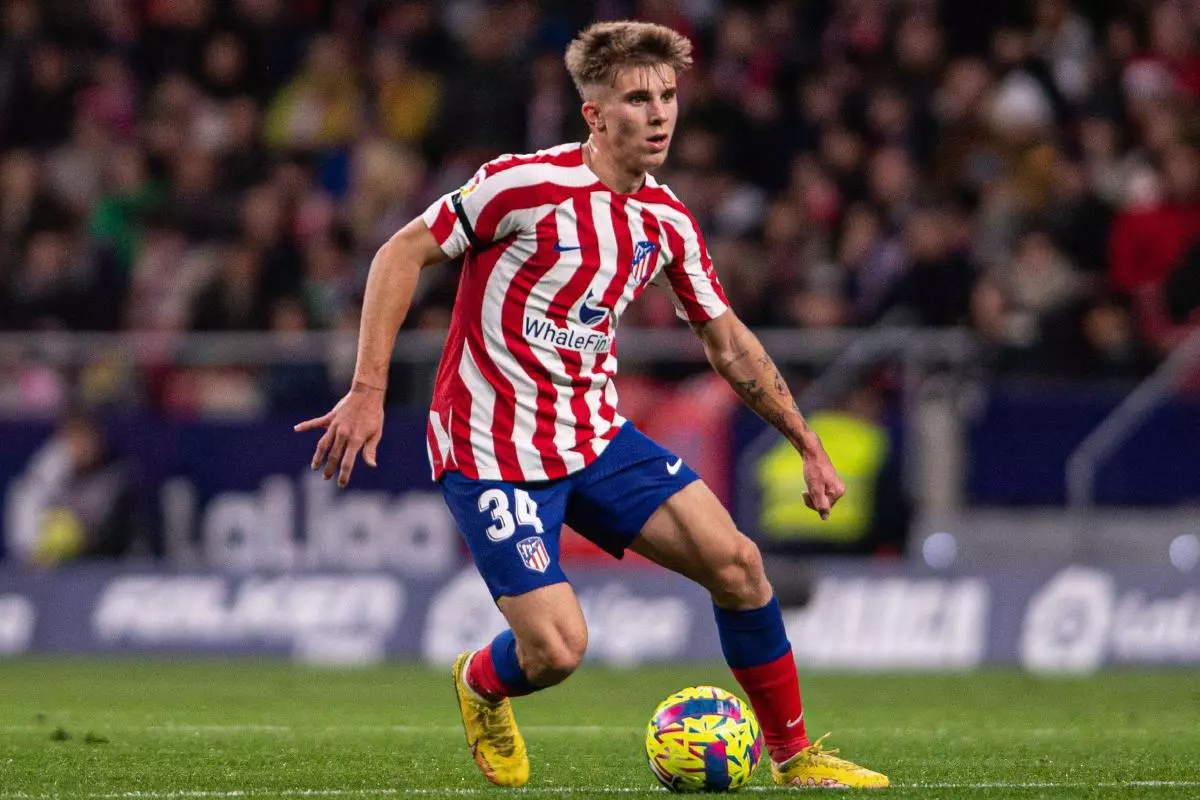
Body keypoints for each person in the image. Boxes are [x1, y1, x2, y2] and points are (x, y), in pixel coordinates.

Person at [296, 21, 887, 790]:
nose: (660, 114)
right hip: (492, 451)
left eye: (669, 96)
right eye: (639, 98)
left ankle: (795, 757)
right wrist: (368, 389)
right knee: (557, 651)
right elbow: (400, 251)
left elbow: (729, 343)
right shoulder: (522, 185)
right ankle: (481, 681)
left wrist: (805, 442)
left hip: (594, 437)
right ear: (595, 115)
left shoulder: (666, 221)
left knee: (740, 565)